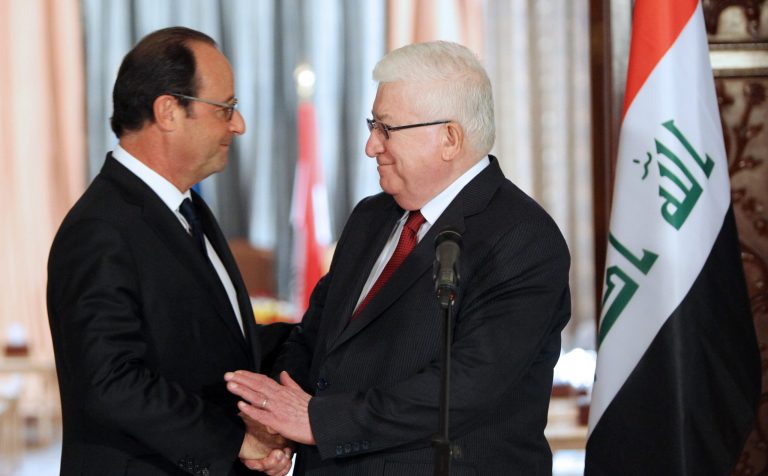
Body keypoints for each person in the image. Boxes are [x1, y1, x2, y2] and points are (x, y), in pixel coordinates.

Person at [225, 40, 572, 475]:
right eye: (373, 126)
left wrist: (317, 421)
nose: (371, 146)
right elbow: (315, 339)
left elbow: (464, 387)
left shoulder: (522, 237)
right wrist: (278, 424)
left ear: (450, 137)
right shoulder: (371, 218)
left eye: (386, 129)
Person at [47, 27, 293, 476]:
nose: (238, 125)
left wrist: (329, 332)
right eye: (226, 108)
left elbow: (217, 349)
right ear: (168, 111)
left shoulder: (186, 206)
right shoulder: (100, 228)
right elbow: (111, 382)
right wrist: (236, 442)